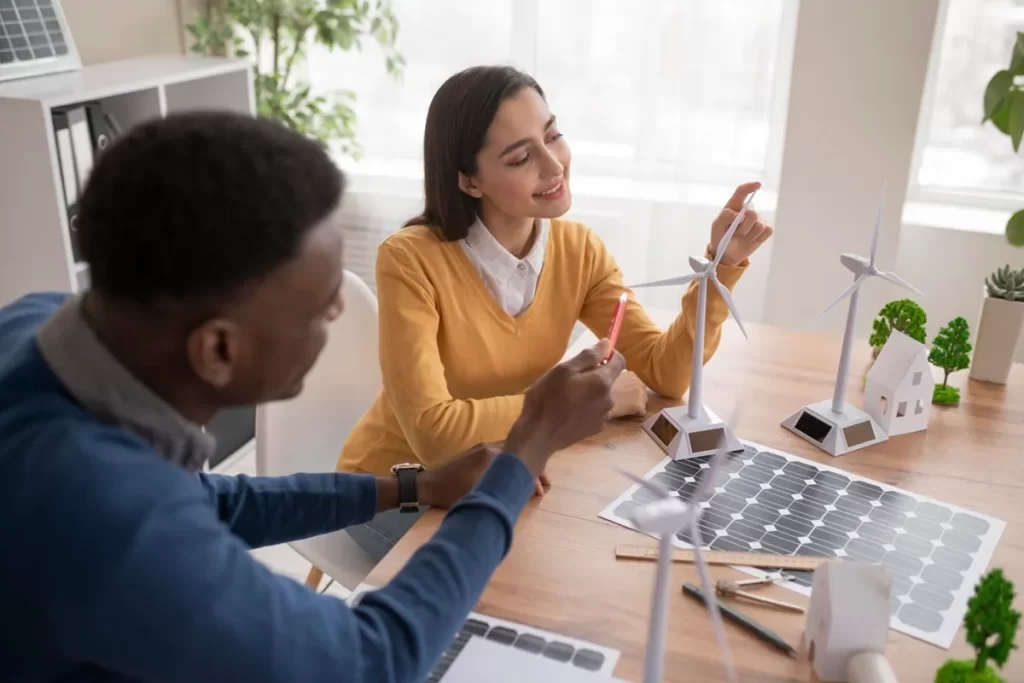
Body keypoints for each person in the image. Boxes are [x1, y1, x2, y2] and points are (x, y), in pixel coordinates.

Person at [0, 111, 627, 682]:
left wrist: (412, 487)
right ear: (217, 350)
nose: (339, 309)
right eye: (318, 303)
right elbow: (371, 659)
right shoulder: (101, 513)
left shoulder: (44, 328)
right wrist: (526, 448)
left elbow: (205, 498)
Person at [334, 65, 775, 563]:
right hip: (398, 490)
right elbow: (435, 436)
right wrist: (578, 406)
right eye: (522, 157)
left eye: (554, 136)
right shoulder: (411, 259)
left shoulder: (578, 249)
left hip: (500, 474)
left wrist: (722, 263)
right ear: (469, 181)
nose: (554, 165)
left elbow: (667, 372)